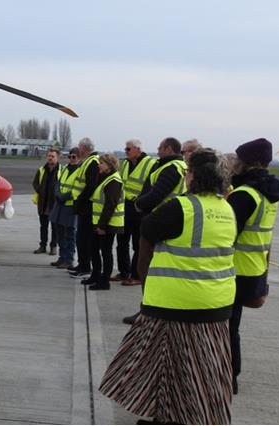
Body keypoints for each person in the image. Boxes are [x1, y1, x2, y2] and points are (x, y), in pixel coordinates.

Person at [100, 148, 236, 425]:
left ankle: (169, 418)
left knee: (164, 366)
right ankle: (181, 416)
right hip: (216, 305)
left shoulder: (181, 208)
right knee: (198, 370)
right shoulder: (227, 210)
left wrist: (145, 280)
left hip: (175, 305)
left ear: (193, 176)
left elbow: (147, 232)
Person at [226, 138, 279, 395]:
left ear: (250, 163)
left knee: (226, 329)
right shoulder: (269, 193)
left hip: (234, 269)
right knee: (232, 326)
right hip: (254, 269)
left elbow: (226, 235)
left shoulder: (243, 195)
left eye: (239, 158)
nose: (235, 162)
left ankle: (229, 378)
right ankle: (232, 376)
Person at [122, 137, 187, 324]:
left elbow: (157, 194)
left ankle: (147, 311)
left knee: (146, 267)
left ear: (168, 149)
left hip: (158, 223)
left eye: (160, 147)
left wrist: (139, 203)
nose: (157, 150)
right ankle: (150, 309)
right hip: (166, 222)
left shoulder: (171, 168)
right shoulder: (179, 167)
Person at [112, 139, 156, 285]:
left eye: (128, 149)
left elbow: (151, 187)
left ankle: (136, 275)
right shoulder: (125, 163)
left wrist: (142, 203)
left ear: (138, 149)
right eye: (125, 149)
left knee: (138, 245)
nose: (126, 151)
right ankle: (124, 272)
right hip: (125, 207)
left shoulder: (151, 164)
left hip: (139, 208)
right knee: (121, 242)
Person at [81, 153, 124, 291]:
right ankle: (95, 275)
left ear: (110, 165)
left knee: (106, 252)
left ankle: (105, 281)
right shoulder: (103, 177)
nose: (99, 165)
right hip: (99, 222)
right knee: (94, 249)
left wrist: (102, 225)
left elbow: (110, 204)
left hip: (108, 224)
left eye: (102, 163)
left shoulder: (114, 181)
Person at [68, 138, 100, 279]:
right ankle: (82, 264)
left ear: (85, 148)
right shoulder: (87, 161)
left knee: (85, 238)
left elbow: (90, 186)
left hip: (87, 207)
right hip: (82, 207)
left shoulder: (93, 162)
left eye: (80, 147)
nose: (78, 150)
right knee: (80, 238)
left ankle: (86, 267)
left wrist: (81, 200)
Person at [49, 147, 81, 268]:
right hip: (60, 205)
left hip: (70, 206)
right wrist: (57, 194)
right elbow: (58, 183)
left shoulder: (80, 171)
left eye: (74, 157)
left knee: (70, 235)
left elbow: (77, 189)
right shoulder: (65, 169)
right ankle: (62, 258)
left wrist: (63, 197)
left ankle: (69, 259)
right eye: (70, 156)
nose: (71, 159)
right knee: (60, 234)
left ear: (79, 158)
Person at [32, 147, 62, 255]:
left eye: (52, 156)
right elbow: (35, 183)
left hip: (55, 203)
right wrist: (40, 190)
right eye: (49, 156)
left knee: (55, 227)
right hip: (43, 203)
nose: (50, 158)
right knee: (43, 226)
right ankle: (42, 246)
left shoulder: (61, 171)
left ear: (58, 157)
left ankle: (53, 246)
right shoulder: (41, 170)